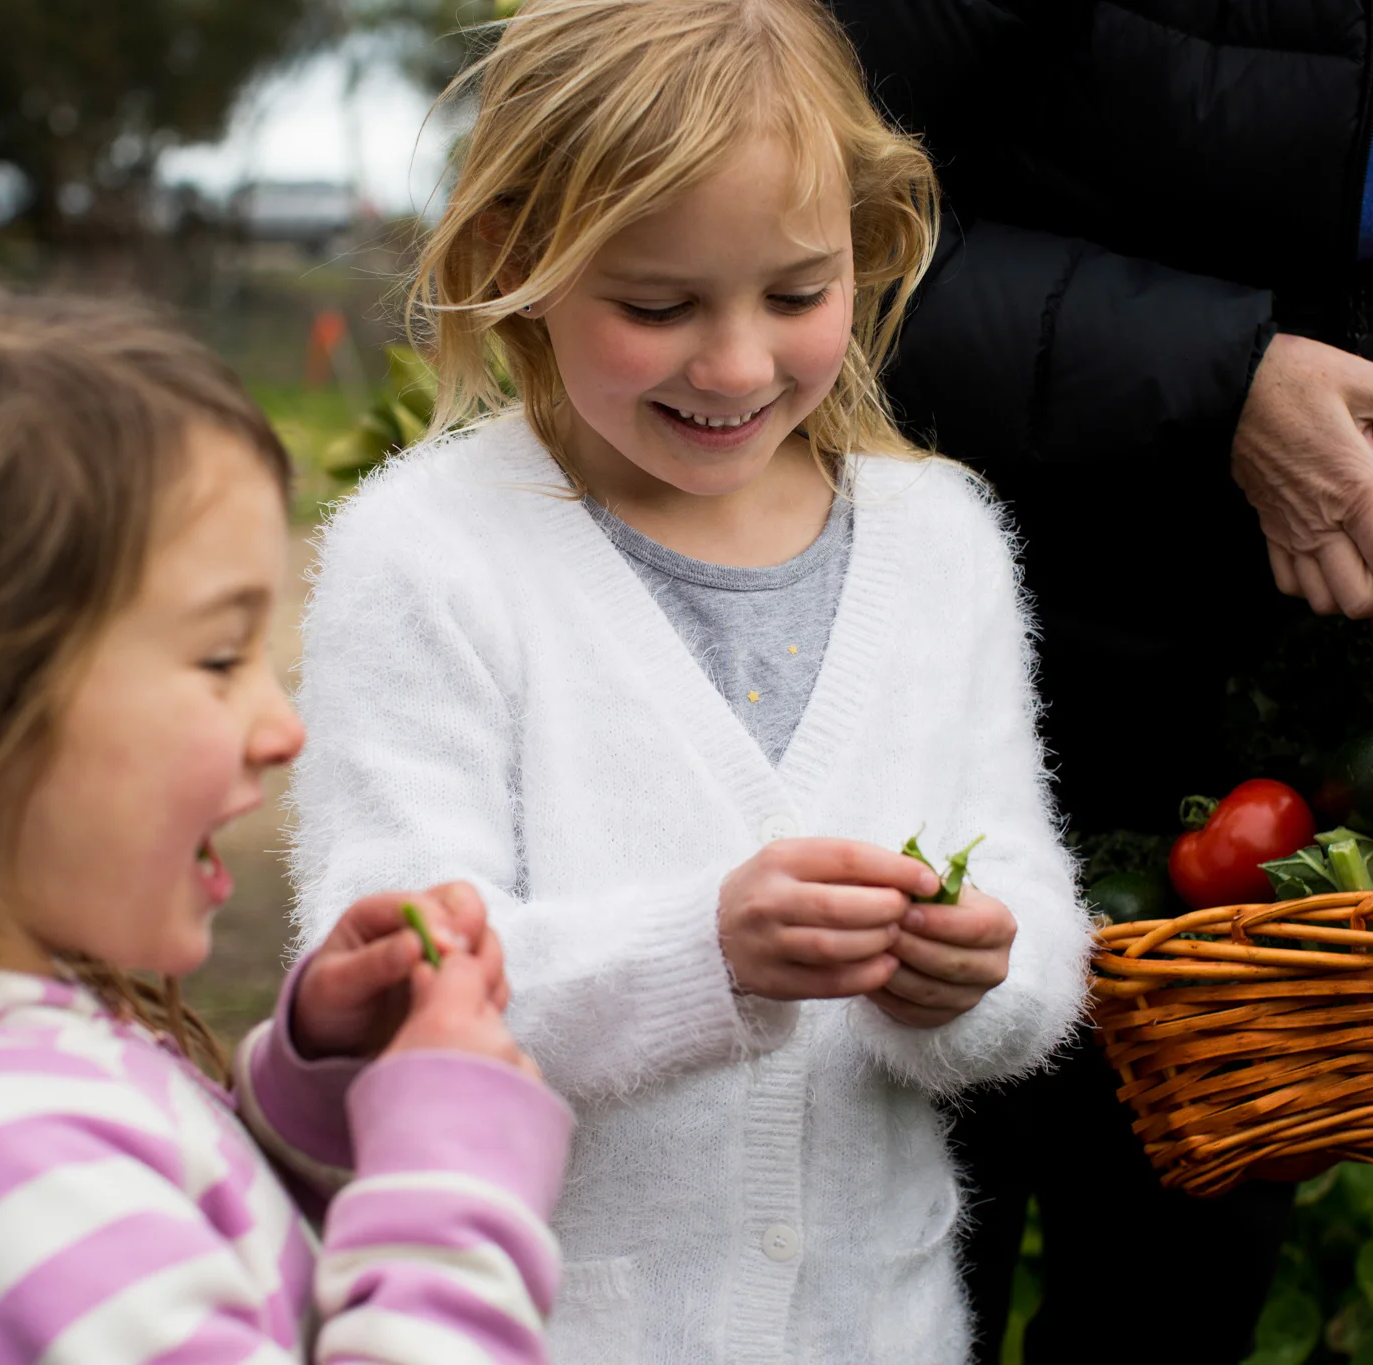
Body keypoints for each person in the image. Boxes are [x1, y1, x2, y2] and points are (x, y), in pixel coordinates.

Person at [826, 0, 1373, 1359]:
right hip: (932, 639)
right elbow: (780, 203)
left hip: (1285, 705)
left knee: (1183, 1278)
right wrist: (1218, 376)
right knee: (875, 1260)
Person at [286, 0, 1092, 1360]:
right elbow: (392, 978)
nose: (733, 364)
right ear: (517, 260)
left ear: (868, 243)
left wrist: (973, 978)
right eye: (657, 306)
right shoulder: (427, 554)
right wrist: (703, 954)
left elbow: (1035, 910)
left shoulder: (941, 541)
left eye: (797, 294)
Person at [0, 241, 572, 1364]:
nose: (285, 727)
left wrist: (314, 1082)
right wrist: (451, 1181)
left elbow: (182, 1251)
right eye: (221, 658)